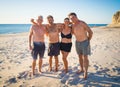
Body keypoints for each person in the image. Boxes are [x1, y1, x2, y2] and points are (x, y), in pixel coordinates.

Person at [68, 12, 93, 79]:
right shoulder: (72, 25)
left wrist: (88, 39)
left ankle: (85, 72)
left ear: (76, 16)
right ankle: (81, 69)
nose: (72, 19)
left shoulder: (82, 23)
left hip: (85, 42)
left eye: (73, 17)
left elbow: (90, 32)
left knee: (85, 57)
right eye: (71, 18)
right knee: (79, 57)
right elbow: (72, 32)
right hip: (77, 43)